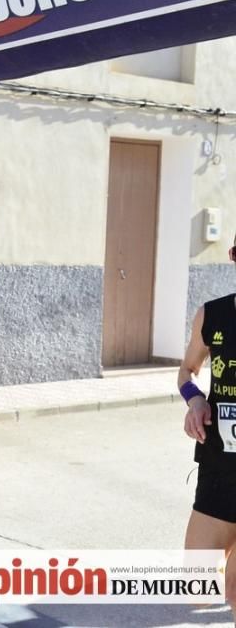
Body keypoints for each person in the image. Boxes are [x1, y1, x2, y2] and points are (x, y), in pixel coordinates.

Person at [181, 236, 236, 613]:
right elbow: (187, 371)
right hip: (218, 467)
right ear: (233, 256)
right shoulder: (212, 315)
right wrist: (195, 399)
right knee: (197, 588)